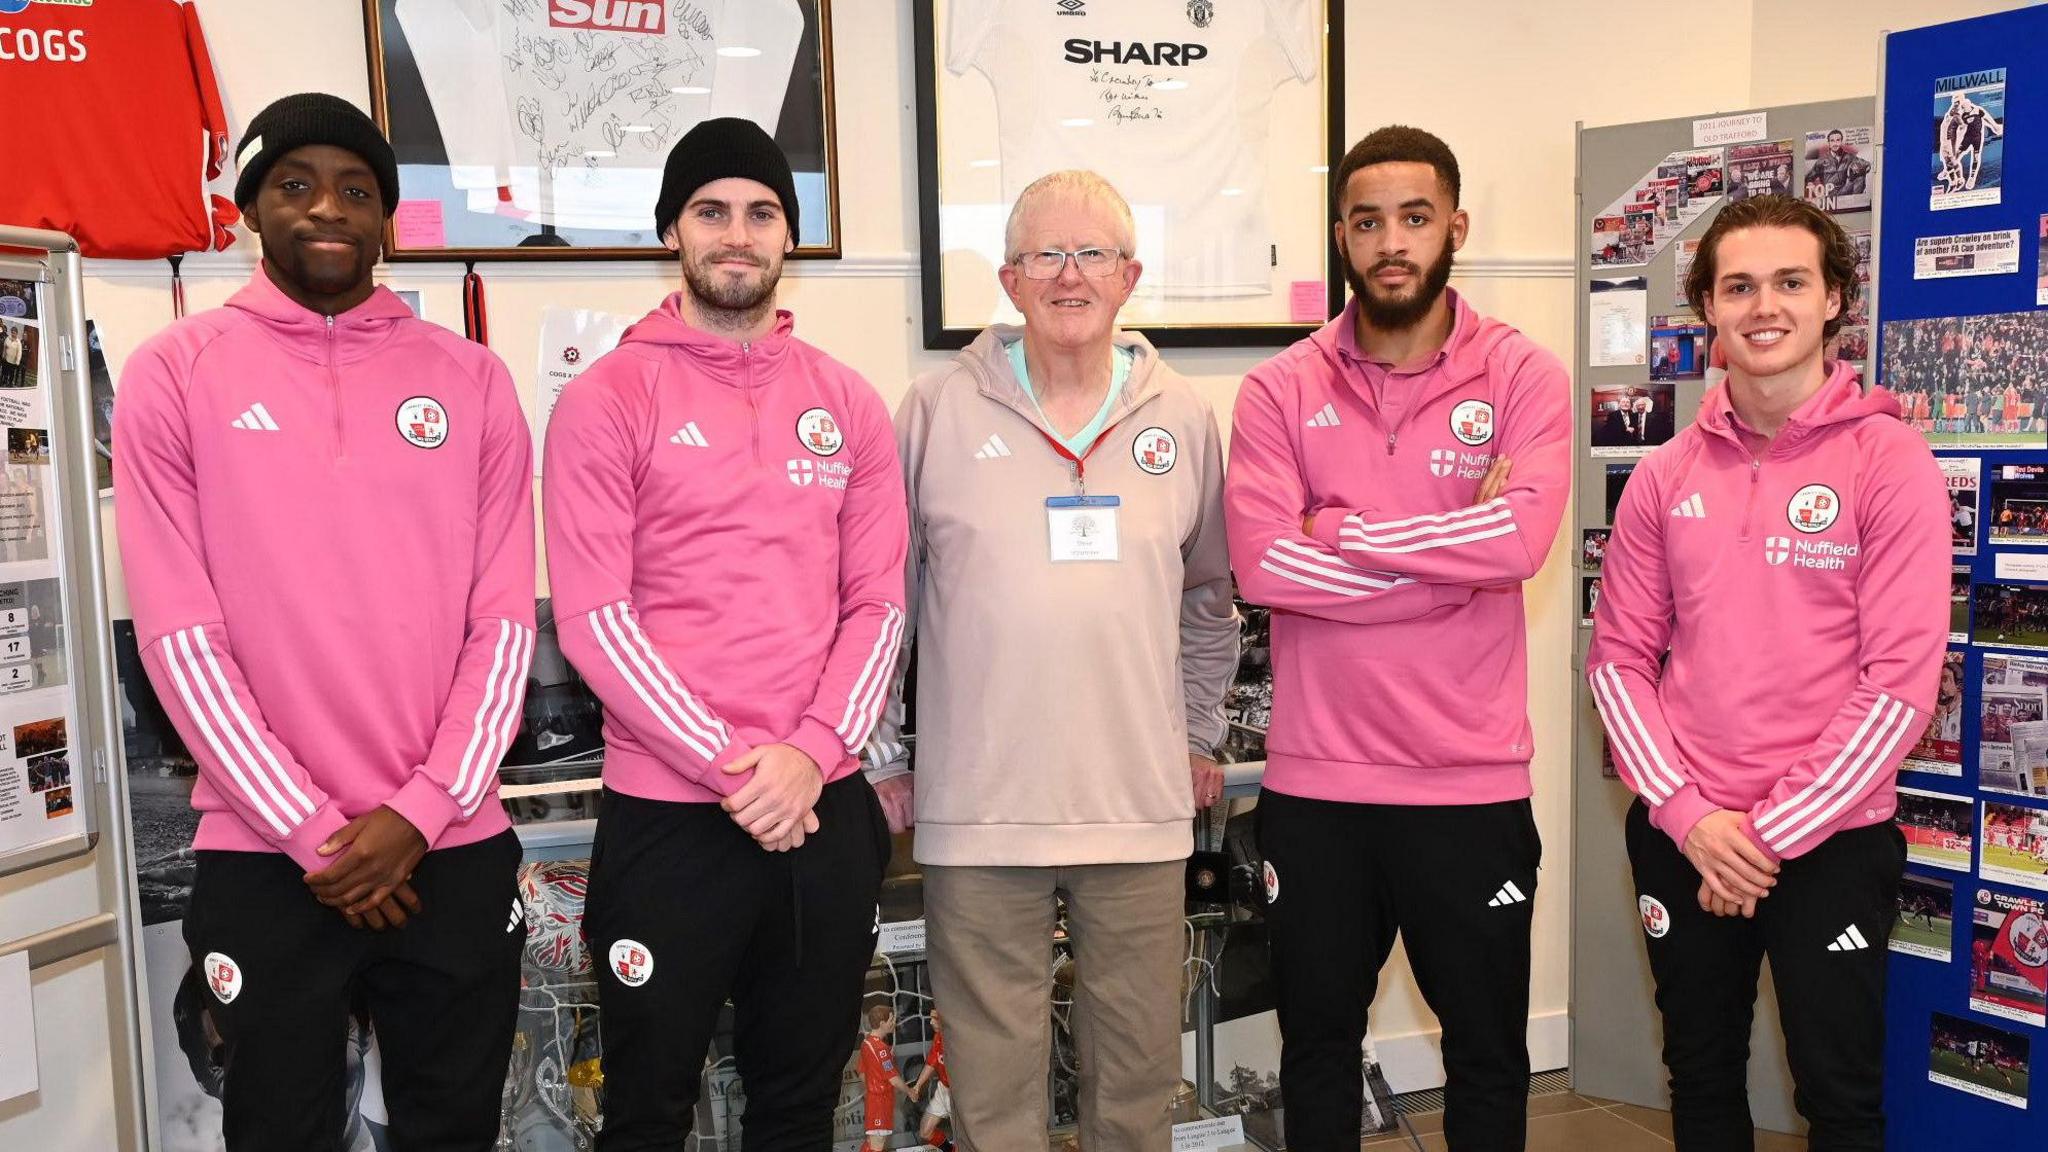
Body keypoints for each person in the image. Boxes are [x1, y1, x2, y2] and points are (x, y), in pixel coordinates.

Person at [115, 92, 533, 1149]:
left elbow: (504, 629)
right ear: (251, 206)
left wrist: (423, 812)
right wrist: (313, 832)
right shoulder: (177, 372)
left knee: (454, 1129)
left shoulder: (473, 382)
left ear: (387, 219)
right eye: (294, 185)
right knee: (277, 1130)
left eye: (356, 189)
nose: (327, 210)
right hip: (267, 854)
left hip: (449, 844)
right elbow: (177, 637)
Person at [542, 117, 907, 1151]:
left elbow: (877, 605)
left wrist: (809, 757)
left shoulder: (847, 403)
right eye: (711, 211)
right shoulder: (609, 398)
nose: (736, 234)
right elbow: (594, 623)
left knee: (798, 1105)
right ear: (673, 232)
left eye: (760, 213)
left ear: (788, 236)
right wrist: (737, 769)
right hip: (671, 823)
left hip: (820, 813)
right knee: (647, 1109)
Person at [874, 168, 1237, 1150]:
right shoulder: (932, 412)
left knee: (1133, 1091)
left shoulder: (1185, 420)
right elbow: (879, 604)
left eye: (1091, 255)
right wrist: (883, 753)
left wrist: (1201, 732)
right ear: (1007, 278)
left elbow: (1211, 597)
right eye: (1045, 254)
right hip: (978, 811)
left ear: (1129, 276)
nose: (1067, 275)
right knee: (993, 1101)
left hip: (1138, 809)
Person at [1224, 125, 1570, 1150]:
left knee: (1487, 1058)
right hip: (1316, 793)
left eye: (1413, 218)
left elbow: (1519, 537)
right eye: (1366, 221)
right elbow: (1260, 566)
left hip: (1467, 788)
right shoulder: (1277, 387)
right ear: (1339, 235)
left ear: (1453, 227)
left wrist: (1335, 531)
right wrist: (1445, 570)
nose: (1390, 242)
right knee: (1315, 1050)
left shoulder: (1520, 375)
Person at [1588, 195, 1948, 1151]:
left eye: (1791, 282)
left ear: (1834, 300)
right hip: (1684, 830)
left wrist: (1764, 836)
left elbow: (1900, 683)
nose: (1764, 306)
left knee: (1840, 1096)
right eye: (1738, 286)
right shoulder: (1664, 476)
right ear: (1707, 306)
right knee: (1699, 1079)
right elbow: (1618, 662)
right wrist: (1695, 821)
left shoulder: (1891, 462)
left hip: (1829, 842)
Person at [858, 1005, 914, 1151]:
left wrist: (872, 1087)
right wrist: (909, 1091)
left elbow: (862, 1073)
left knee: (871, 1143)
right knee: (877, 1144)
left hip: (873, 1099)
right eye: (891, 1019)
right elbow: (893, 1078)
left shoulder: (866, 1043)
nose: (893, 1022)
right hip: (881, 1101)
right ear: (882, 1023)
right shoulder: (882, 1049)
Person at [909, 1008, 951, 1147]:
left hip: (959, 1094)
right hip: (943, 1088)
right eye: (931, 1017)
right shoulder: (938, 1037)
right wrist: (918, 1085)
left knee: (964, 1134)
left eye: (935, 1018)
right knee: (925, 1131)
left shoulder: (957, 1041)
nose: (931, 1022)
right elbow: (931, 1063)